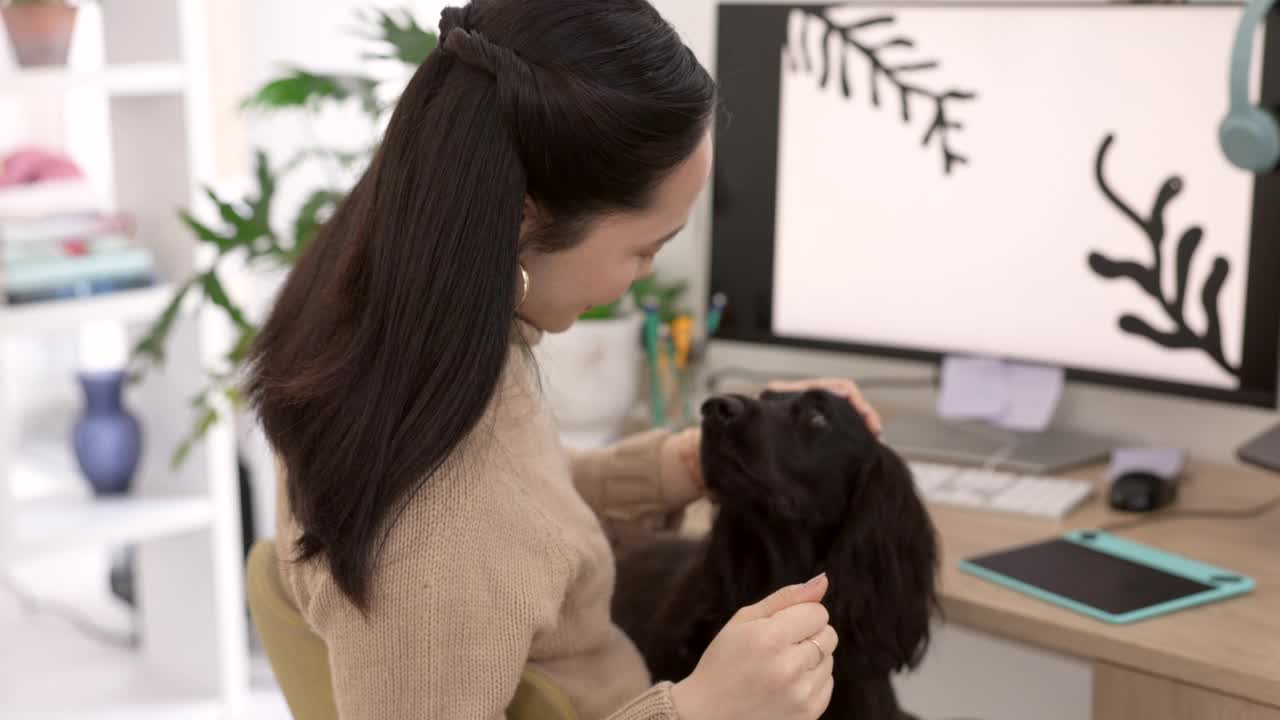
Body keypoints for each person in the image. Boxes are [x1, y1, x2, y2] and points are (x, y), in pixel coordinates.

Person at [245, 1, 882, 718]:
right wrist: (703, 709)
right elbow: (475, 530)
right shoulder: (433, 539)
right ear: (526, 211)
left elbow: (517, 521)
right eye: (644, 249)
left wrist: (677, 469)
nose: (641, 276)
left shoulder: (399, 350)